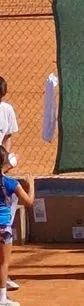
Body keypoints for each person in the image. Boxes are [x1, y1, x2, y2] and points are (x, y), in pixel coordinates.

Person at [0, 145, 34, 306]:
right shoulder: (11, 183)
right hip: (3, 228)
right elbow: (29, 202)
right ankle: (2, 299)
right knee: (3, 263)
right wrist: (31, 185)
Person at [0, 76, 19, 291]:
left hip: (0, 168)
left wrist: (5, 161)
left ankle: (3, 276)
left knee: (6, 217)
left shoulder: (6, 110)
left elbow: (8, 137)